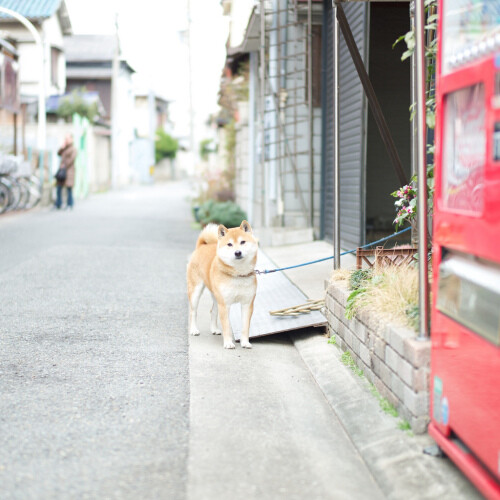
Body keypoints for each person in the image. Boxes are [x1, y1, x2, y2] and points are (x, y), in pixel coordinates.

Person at [55, 134, 77, 210]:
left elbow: (72, 159)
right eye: (65, 139)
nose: (66, 140)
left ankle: (70, 204)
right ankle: (58, 204)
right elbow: (58, 153)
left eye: (68, 138)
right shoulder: (64, 148)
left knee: (69, 189)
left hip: (69, 172)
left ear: (71, 139)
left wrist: (64, 165)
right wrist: (62, 147)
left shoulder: (73, 149)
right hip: (62, 172)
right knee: (58, 187)